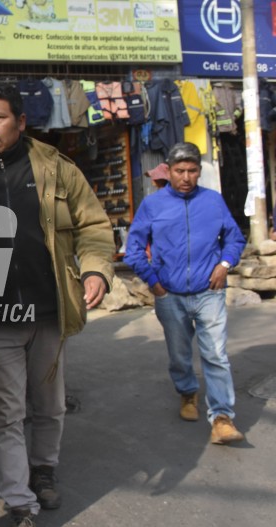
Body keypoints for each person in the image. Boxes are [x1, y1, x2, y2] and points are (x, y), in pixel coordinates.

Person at [0, 81, 114, 527]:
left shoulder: (55, 167)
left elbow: (94, 225)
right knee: (6, 414)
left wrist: (96, 270)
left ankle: (44, 470)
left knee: (49, 405)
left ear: (21, 121)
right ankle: (19, 500)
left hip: (50, 313)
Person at [124, 142, 246, 446]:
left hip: (210, 292)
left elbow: (235, 239)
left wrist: (224, 265)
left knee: (216, 355)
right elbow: (134, 248)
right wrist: (154, 282)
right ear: (169, 170)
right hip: (170, 295)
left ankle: (221, 417)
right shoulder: (153, 205)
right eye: (180, 171)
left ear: (199, 171)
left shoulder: (214, 201)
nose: (187, 177)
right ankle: (187, 392)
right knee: (180, 354)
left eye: (193, 170)